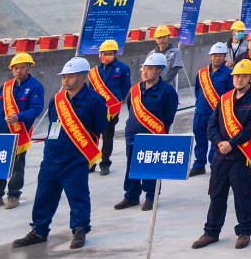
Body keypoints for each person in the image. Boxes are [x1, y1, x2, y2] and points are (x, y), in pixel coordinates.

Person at [13, 57, 105, 250]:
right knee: (44, 196)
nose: (65, 80)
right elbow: (53, 124)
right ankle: (39, 230)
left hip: (75, 158)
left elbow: (99, 127)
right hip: (52, 156)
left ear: (82, 77)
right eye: (64, 77)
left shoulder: (95, 100)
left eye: (70, 76)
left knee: (77, 196)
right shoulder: (57, 99)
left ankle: (79, 229)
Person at [193, 57, 251, 249]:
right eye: (236, 76)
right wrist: (219, 142)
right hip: (221, 156)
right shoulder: (224, 99)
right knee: (216, 195)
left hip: (241, 156)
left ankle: (244, 231)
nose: (239, 79)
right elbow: (212, 125)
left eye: (243, 76)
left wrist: (231, 143)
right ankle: (211, 232)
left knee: (243, 196)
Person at [116, 51, 179, 212]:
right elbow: (131, 109)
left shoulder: (167, 91)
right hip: (133, 134)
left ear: (159, 71)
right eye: (144, 68)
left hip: (153, 134)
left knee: (151, 166)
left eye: (150, 69)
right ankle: (131, 195)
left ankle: (151, 196)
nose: (145, 72)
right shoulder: (135, 90)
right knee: (132, 165)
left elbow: (169, 116)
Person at [0, 51, 44, 211]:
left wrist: (19, 117)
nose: (18, 71)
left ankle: (13, 195)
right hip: (1, 132)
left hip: (19, 133)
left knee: (16, 167)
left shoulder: (35, 87)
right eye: (16, 68)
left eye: (22, 67)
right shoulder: (6, 86)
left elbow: (36, 109)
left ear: (28, 68)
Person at [190, 42, 234, 177]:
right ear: (210, 56)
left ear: (224, 57)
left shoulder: (229, 74)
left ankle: (214, 163)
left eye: (220, 55)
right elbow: (197, 90)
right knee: (200, 138)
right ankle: (199, 165)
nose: (217, 58)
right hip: (201, 112)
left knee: (216, 140)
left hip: (217, 113)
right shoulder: (201, 73)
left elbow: (231, 94)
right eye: (214, 55)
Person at [89, 39, 130, 176]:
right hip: (96, 109)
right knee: (92, 136)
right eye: (104, 54)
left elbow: (125, 88)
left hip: (111, 109)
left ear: (115, 54)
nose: (106, 56)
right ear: (100, 54)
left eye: (110, 54)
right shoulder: (94, 72)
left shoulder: (123, 68)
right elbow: (90, 90)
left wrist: (117, 102)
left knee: (107, 137)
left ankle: (105, 163)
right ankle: (90, 162)